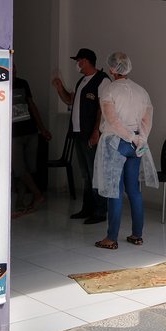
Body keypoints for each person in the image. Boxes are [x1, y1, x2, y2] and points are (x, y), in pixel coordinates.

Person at [92, 51, 158, 249]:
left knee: (115, 191)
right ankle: (137, 235)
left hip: (116, 143)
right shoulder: (141, 91)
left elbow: (112, 121)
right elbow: (147, 119)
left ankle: (111, 238)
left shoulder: (109, 90)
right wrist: (140, 139)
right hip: (136, 144)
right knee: (134, 191)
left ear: (112, 69)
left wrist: (129, 137)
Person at [52, 48, 110, 224]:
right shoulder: (81, 81)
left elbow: (103, 108)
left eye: (79, 61)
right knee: (85, 173)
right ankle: (87, 208)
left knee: (95, 172)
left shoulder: (102, 80)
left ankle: (100, 211)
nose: (77, 64)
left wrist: (96, 132)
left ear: (86, 61)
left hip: (91, 134)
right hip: (78, 133)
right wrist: (60, 88)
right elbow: (70, 101)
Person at [11, 66, 53, 217]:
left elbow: (32, 106)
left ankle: (20, 201)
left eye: (15, 70)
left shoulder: (23, 83)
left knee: (28, 168)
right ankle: (37, 195)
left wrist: (42, 128)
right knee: (19, 168)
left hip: (30, 131)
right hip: (13, 134)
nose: (14, 72)